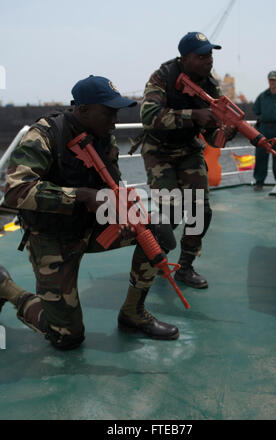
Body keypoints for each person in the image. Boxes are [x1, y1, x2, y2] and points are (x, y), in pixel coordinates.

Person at [0, 75, 179, 350]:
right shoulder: (45, 135)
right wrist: (81, 196)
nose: (114, 121)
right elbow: (15, 191)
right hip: (52, 236)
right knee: (67, 337)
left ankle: (133, 313)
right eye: (108, 112)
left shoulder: (103, 138)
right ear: (83, 109)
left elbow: (112, 183)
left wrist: (122, 213)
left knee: (157, 232)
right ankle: (7, 288)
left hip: (91, 226)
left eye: (116, 113)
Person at [138, 32, 236, 289]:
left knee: (200, 211)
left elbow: (212, 137)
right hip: (159, 150)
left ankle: (186, 267)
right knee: (170, 211)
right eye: (201, 56)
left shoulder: (211, 86)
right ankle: (155, 259)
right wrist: (193, 115)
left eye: (210, 55)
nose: (208, 61)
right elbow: (149, 116)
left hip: (189, 149)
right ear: (185, 58)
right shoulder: (163, 76)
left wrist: (225, 133)